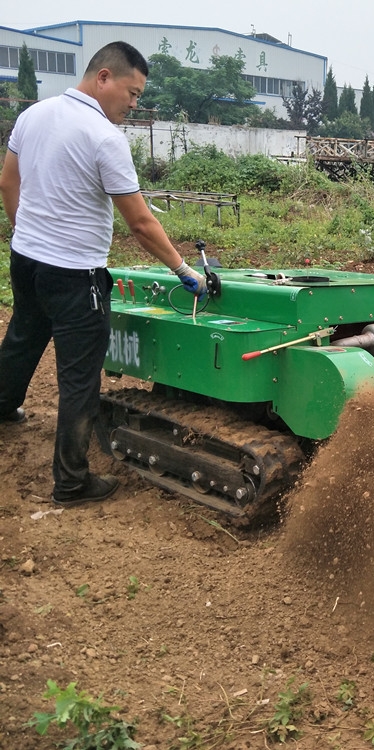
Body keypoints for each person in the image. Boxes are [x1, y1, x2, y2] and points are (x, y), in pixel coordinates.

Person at [0, 41, 206, 507]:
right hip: (74, 274)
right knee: (79, 377)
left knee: (24, 336)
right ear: (104, 78)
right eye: (131, 93)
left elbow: (8, 181)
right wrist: (181, 268)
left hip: (26, 259)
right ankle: (71, 482)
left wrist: (25, 232)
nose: (133, 105)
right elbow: (139, 222)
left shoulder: (35, 114)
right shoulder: (103, 137)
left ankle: (0, 407)